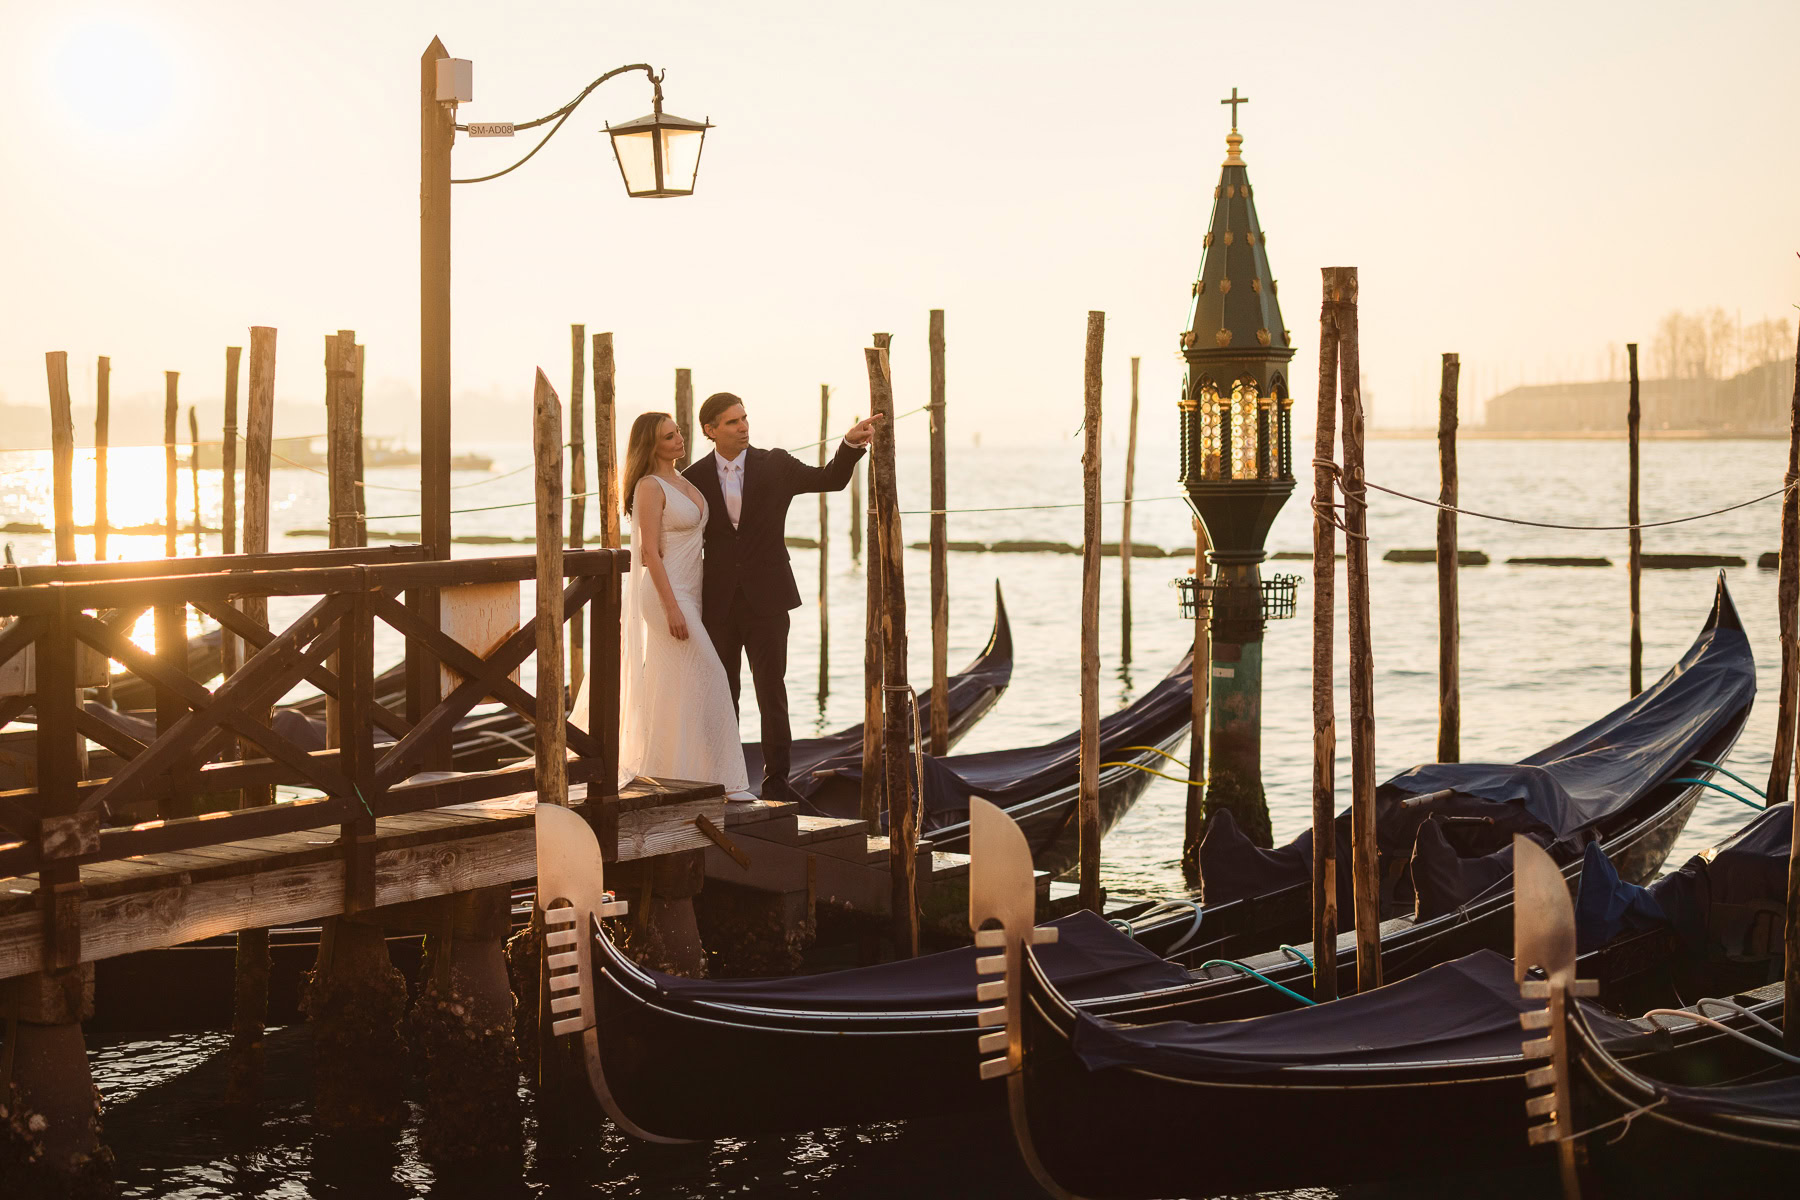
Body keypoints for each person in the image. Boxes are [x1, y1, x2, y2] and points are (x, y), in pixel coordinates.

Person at [683, 393, 881, 803]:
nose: (743, 427)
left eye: (745, 419)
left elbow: (831, 479)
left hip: (769, 601)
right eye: (733, 422)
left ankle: (777, 782)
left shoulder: (774, 464)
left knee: (771, 691)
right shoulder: (693, 477)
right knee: (723, 694)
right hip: (717, 604)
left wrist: (850, 445)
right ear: (710, 430)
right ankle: (727, 778)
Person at [610, 410, 755, 799]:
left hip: (691, 593)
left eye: (678, 433)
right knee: (713, 676)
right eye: (669, 437)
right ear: (651, 445)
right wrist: (673, 608)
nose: (680, 439)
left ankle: (675, 774)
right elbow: (649, 555)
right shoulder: (649, 486)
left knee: (676, 687)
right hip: (666, 596)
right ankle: (729, 782)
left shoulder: (682, 480)